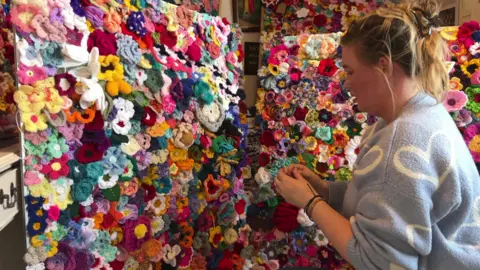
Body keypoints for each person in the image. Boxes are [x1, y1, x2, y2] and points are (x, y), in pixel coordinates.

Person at [274, 0, 480, 269]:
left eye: (350, 71)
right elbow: (396, 202)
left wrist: (310, 202)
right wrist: (326, 191)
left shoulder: (403, 140)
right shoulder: (423, 113)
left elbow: (379, 260)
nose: (346, 82)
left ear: (384, 66)